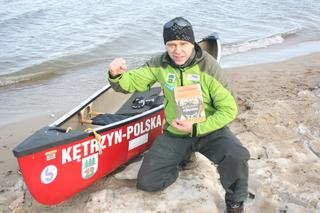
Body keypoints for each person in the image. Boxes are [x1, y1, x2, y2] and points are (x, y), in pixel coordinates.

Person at [107, 17, 250, 213]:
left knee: (236, 154)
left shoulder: (208, 67)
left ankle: (235, 201)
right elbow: (132, 82)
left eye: (183, 44)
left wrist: (197, 127)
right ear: (165, 45)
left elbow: (229, 108)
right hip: (176, 132)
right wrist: (117, 75)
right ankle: (184, 158)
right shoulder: (160, 63)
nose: (177, 50)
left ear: (192, 43)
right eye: (171, 44)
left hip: (209, 129)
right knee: (148, 182)